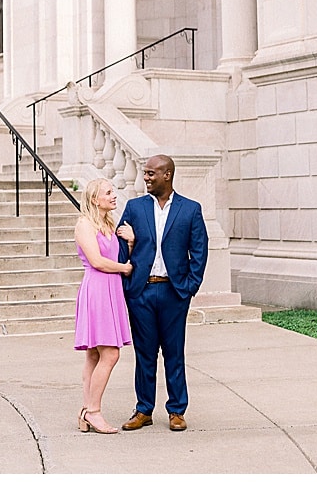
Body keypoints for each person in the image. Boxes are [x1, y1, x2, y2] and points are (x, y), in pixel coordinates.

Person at [115, 154, 208, 432]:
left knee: (174, 353)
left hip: (174, 292)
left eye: (151, 173)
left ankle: (177, 410)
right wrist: (127, 284)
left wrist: (189, 287)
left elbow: (200, 251)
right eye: (145, 173)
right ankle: (143, 410)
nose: (145, 177)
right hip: (141, 292)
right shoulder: (134, 207)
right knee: (144, 354)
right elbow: (121, 244)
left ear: (167, 175)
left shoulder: (190, 209)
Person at [73, 177, 134, 435]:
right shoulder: (84, 224)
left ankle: (87, 410)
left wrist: (129, 243)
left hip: (112, 289)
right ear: (94, 198)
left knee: (96, 355)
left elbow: (117, 256)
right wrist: (124, 268)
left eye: (113, 191)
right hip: (97, 290)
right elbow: (97, 261)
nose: (113, 196)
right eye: (108, 193)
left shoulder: (109, 223)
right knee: (110, 354)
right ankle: (93, 411)